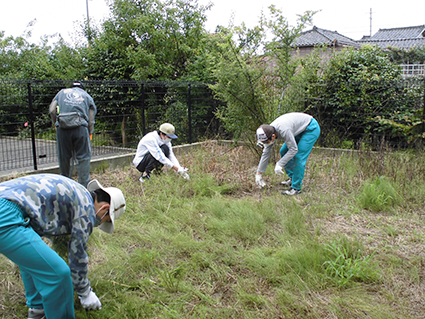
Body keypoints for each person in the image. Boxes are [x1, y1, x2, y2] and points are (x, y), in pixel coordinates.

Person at [0, 173, 126, 319]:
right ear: (105, 208)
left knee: (34, 260)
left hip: (8, 206)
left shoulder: (76, 192)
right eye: (105, 220)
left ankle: (38, 310)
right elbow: (77, 255)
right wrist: (85, 292)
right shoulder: (87, 210)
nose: (99, 224)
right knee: (59, 274)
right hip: (6, 214)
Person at [255, 112, 320, 195]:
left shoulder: (284, 130)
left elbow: (293, 149)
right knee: (283, 151)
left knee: (298, 156)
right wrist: (259, 173)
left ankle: (296, 188)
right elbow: (266, 152)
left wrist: (280, 164)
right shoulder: (268, 131)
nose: (266, 143)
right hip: (298, 130)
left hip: (310, 128)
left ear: (273, 136)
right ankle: (293, 179)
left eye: (266, 141)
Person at [49, 81, 97, 187]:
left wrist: (56, 124)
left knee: (64, 157)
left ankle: (66, 185)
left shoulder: (61, 93)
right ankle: (84, 185)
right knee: (83, 157)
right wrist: (90, 132)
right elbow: (91, 117)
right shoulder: (86, 96)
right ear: (82, 88)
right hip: (81, 128)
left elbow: (52, 110)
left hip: (62, 128)